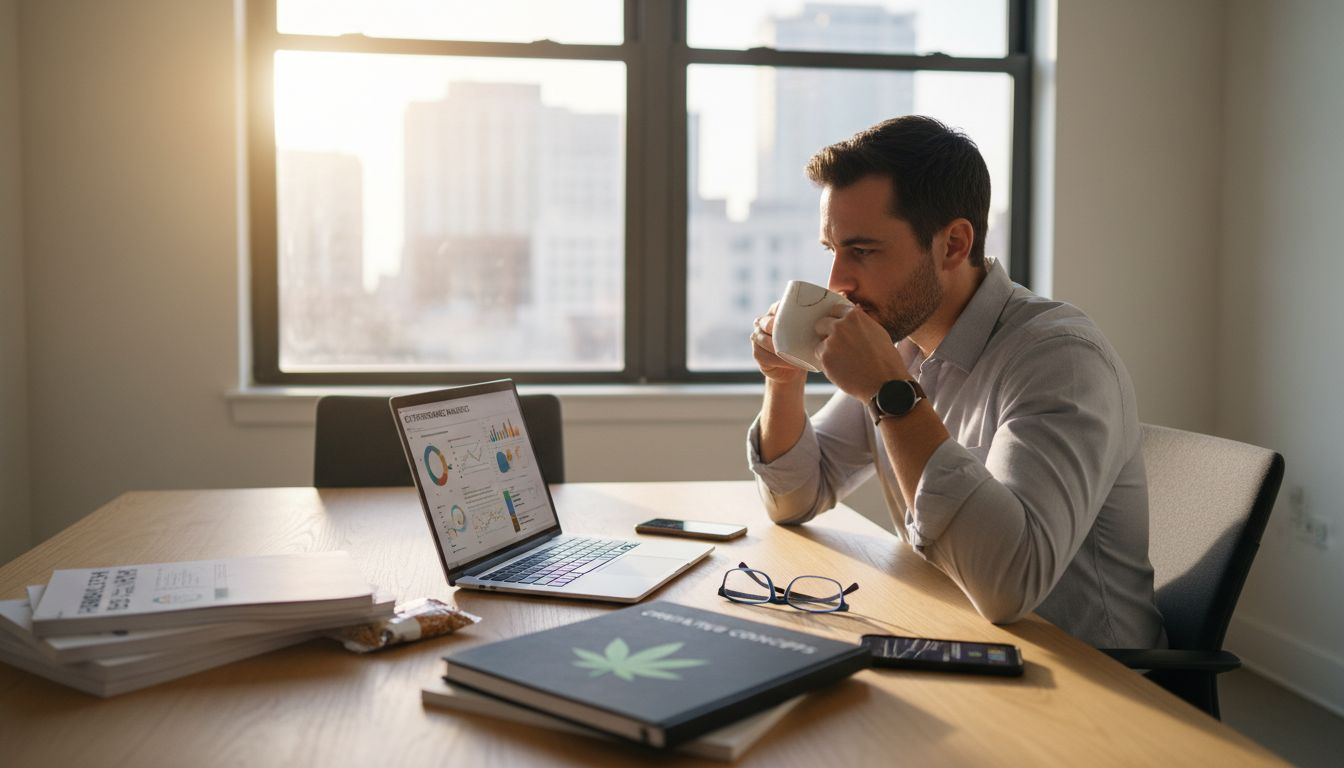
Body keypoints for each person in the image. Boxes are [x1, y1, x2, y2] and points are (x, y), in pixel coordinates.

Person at [746, 115, 1166, 649]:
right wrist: (784, 381)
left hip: (1095, 683)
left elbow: (1009, 586)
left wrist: (891, 396)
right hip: (954, 640)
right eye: (833, 250)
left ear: (953, 244)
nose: (837, 282)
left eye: (864, 251)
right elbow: (796, 498)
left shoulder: (1060, 361)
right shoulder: (901, 341)